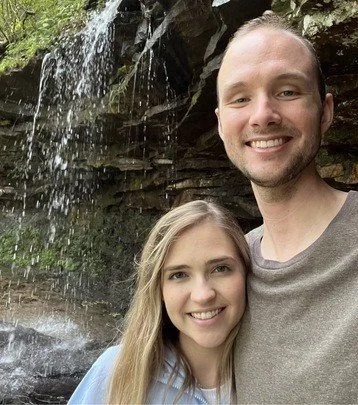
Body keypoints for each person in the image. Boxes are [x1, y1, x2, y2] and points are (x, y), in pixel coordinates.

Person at [215, 11, 358, 404]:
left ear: (325, 111)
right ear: (221, 124)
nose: (262, 115)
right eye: (240, 98)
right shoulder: (223, 276)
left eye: (288, 91)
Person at [68, 200, 250, 404]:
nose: (202, 295)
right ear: (158, 289)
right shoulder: (115, 370)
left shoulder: (280, 372)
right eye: (179, 275)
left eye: (220, 269)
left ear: (246, 274)